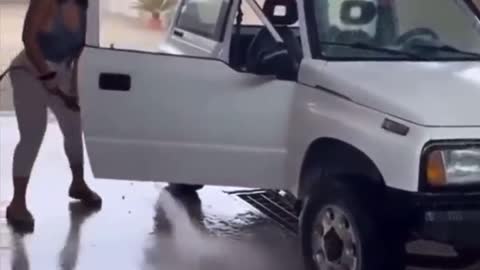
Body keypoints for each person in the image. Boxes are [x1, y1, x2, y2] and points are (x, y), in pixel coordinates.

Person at [5, 0, 101, 232]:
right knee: (33, 135)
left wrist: (75, 87)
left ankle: (78, 184)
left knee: (73, 127)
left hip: (62, 72)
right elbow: (28, 38)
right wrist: (46, 76)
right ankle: (17, 203)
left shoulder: (82, 6)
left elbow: (80, 51)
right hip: (30, 70)